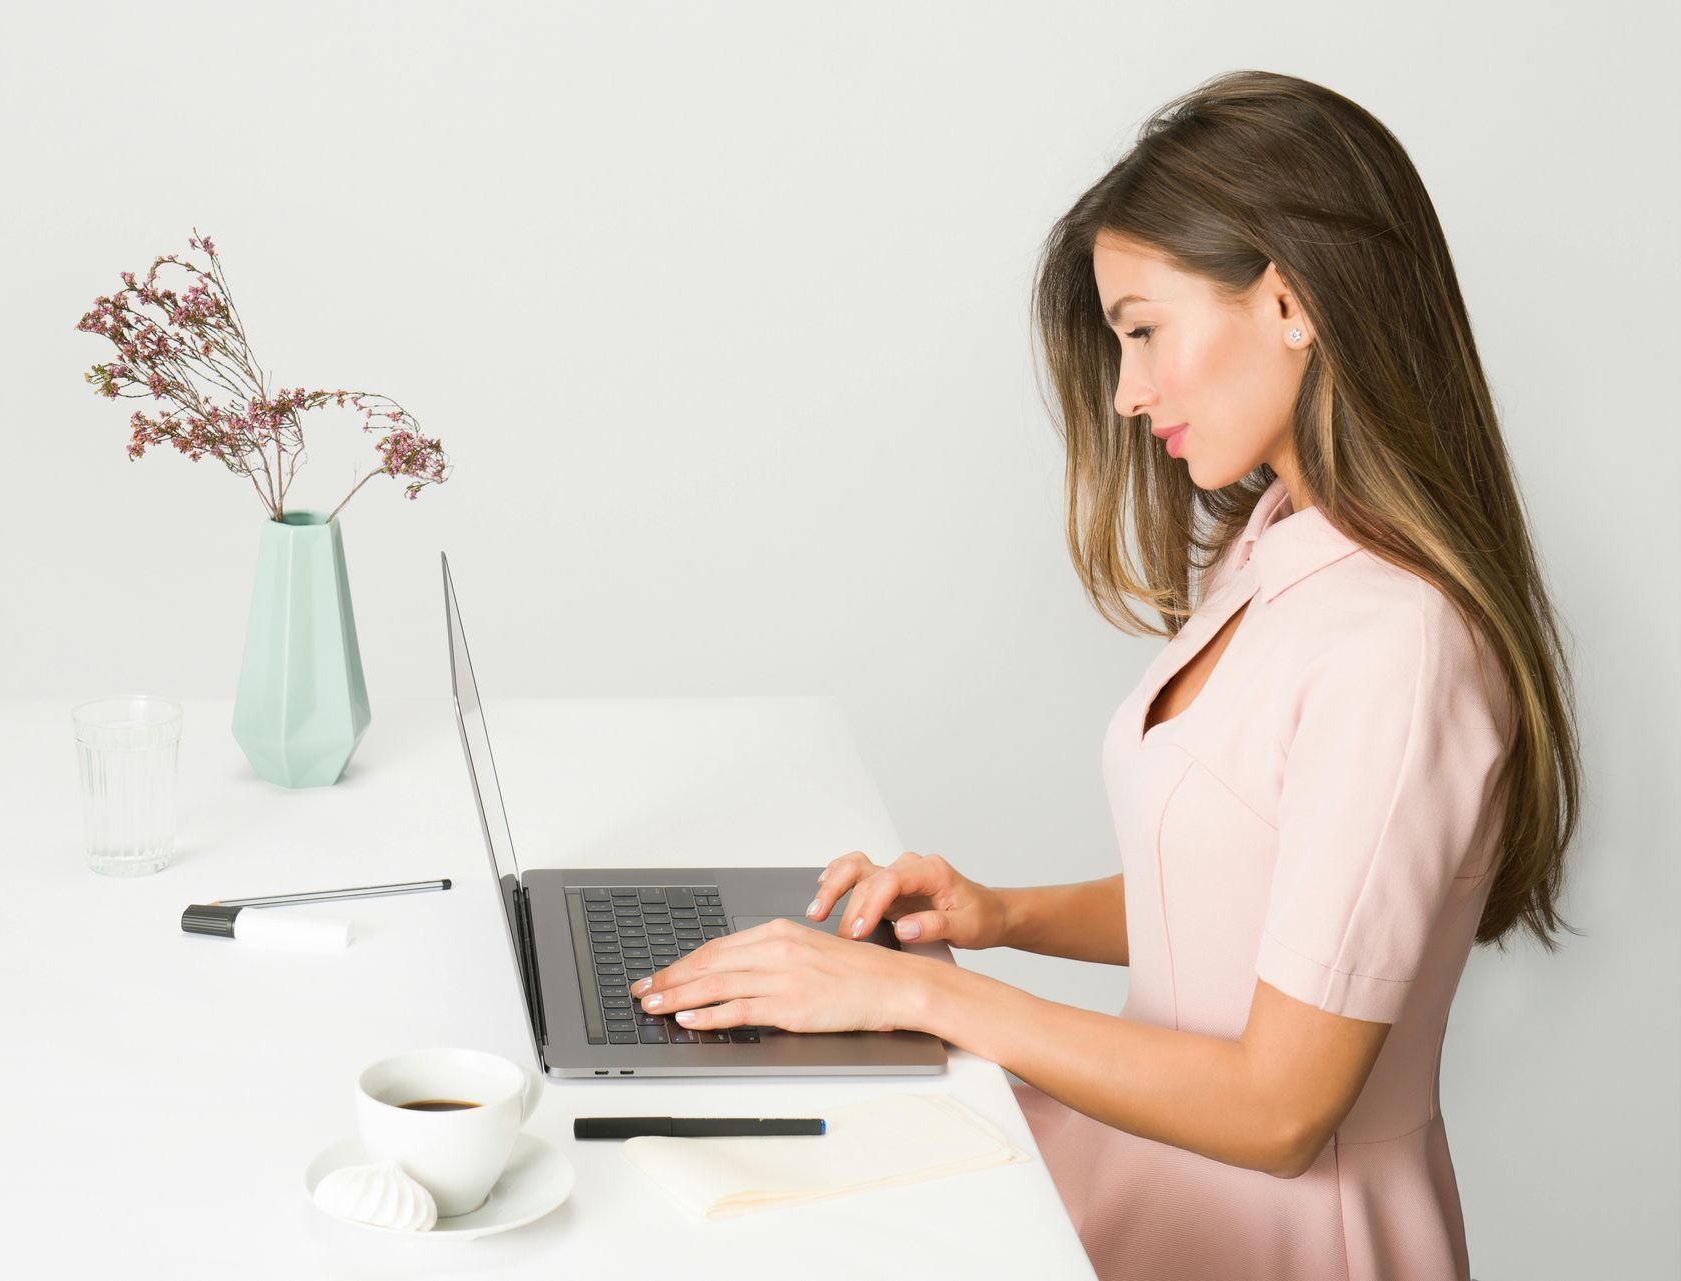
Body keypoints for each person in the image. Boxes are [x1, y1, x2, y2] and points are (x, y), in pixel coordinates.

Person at [627, 68, 1582, 1280]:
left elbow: (1282, 1112)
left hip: (1286, 1235)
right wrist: (996, 914)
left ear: (1289, 301)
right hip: (1147, 1174)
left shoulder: (1400, 648)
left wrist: (930, 1001)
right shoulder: (1275, 547)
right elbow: (1250, 900)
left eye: (1142, 331)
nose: (1128, 394)